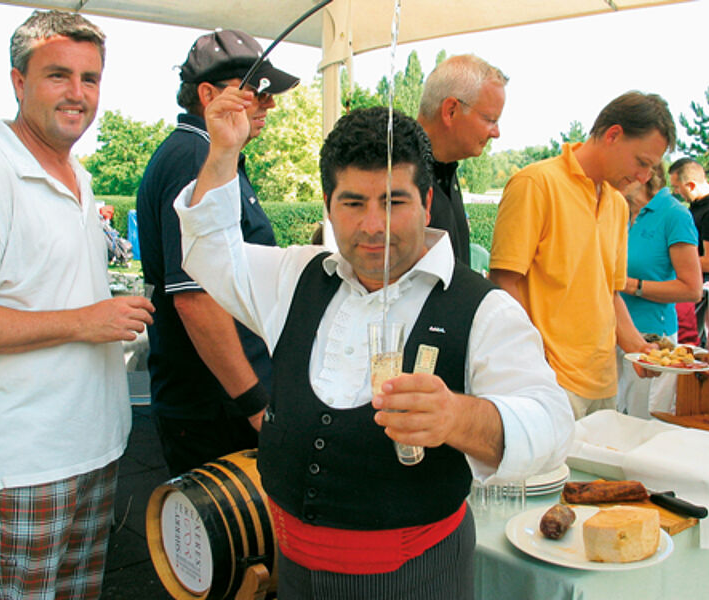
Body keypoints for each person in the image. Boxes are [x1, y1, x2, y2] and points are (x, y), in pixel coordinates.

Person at [175, 103, 573, 599]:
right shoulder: (296, 275)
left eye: (394, 201)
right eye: (353, 202)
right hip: (294, 571)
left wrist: (457, 417)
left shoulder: (483, 308)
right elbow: (209, 251)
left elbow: (553, 423)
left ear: (427, 202)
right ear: (327, 203)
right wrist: (224, 153)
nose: (373, 227)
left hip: (417, 577)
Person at [0, 10, 154, 599]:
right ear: (18, 82)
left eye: (90, 78)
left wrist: (104, 306)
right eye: (58, 76)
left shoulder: (78, 174)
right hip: (26, 460)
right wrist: (86, 320)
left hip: (91, 445)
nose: (78, 93)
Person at [136, 30, 299, 476]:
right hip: (215, 410)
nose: (268, 104)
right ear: (208, 95)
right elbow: (196, 299)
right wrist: (255, 405)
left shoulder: (206, 153)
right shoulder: (197, 156)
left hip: (214, 404)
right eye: (254, 91)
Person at [490, 91, 675, 420]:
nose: (645, 177)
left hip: (604, 382)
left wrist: (637, 347)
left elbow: (609, 291)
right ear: (613, 135)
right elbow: (504, 281)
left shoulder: (617, 203)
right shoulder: (536, 183)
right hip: (548, 381)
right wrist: (535, 361)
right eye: (642, 162)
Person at [617, 164, 702, 418]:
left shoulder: (674, 214)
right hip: (610, 334)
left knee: (640, 425)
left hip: (650, 339)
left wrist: (630, 285)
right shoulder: (617, 211)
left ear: (644, 174)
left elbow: (692, 289)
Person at [417, 55, 507, 266]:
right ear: (451, 111)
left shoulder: (445, 171)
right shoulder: (397, 178)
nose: (496, 133)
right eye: (490, 120)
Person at [669, 158, 709, 279]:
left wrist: (670, 262)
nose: (676, 192)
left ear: (691, 185)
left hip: (701, 285)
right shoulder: (697, 206)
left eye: (677, 187)